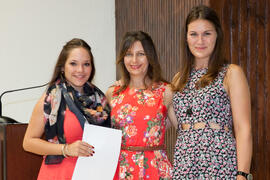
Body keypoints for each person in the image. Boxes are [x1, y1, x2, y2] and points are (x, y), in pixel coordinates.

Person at [171, 5, 253, 179]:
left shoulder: (231, 73)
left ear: (217, 36)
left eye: (207, 33)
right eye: (193, 34)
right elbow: (175, 123)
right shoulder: (178, 79)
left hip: (220, 163)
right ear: (186, 38)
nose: (200, 41)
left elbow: (243, 128)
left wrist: (242, 174)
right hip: (184, 164)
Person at [23, 38, 111, 180]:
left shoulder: (100, 99)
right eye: (73, 63)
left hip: (95, 173)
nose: (80, 70)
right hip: (61, 174)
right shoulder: (51, 100)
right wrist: (66, 149)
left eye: (86, 64)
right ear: (62, 67)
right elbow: (28, 142)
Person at [106, 31, 178, 179]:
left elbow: (182, 130)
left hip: (156, 169)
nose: (134, 60)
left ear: (150, 57)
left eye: (141, 54)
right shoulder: (112, 93)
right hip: (122, 170)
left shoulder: (165, 91)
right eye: (128, 54)